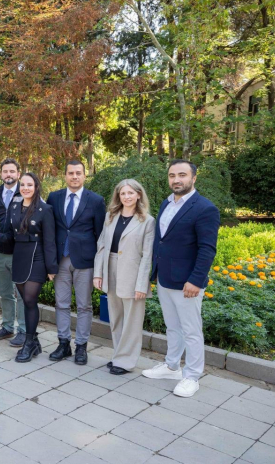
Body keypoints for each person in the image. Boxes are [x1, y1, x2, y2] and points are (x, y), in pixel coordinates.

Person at [142, 160, 219, 398]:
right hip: (165, 278)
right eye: (172, 175)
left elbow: (207, 249)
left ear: (194, 178)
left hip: (187, 282)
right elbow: (162, 241)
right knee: (173, 326)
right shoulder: (166, 203)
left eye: (182, 175)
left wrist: (196, 280)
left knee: (191, 330)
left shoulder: (205, 208)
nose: (176, 179)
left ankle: (192, 376)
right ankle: (172, 366)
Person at [46, 160, 106, 365]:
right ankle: (63, 343)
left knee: (84, 306)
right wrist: (49, 262)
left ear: (84, 175)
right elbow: (50, 230)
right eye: (70, 173)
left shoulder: (96, 200)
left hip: (85, 261)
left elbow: (100, 235)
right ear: (65, 175)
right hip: (61, 260)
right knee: (61, 303)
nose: (74, 176)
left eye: (78, 173)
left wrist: (99, 267)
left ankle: (81, 346)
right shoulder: (54, 197)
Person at [93, 179, 155, 375]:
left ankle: (126, 362)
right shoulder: (110, 216)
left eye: (130, 193)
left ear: (138, 195)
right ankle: (118, 356)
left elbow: (147, 256)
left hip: (133, 274)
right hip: (110, 268)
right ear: (118, 196)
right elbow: (102, 245)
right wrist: (98, 273)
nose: (127, 197)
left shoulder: (147, 221)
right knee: (116, 317)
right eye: (123, 193)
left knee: (132, 321)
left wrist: (142, 285)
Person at [0, 173, 58, 362]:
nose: (25, 188)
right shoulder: (14, 206)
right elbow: (9, 234)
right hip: (20, 256)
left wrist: (51, 268)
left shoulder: (45, 209)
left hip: (38, 256)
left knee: (30, 300)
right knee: (25, 299)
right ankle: (35, 341)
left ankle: (29, 343)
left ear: (36, 187)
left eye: (29, 185)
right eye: (23, 185)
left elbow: (50, 241)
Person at [0, 158, 26, 347]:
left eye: (11, 171)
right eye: (5, 171)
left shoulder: (26, 191)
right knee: (5, 293)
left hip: (21, 252)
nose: (8, 174)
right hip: (0, 252)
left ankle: (24, 330)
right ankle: (8, 326)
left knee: (23, 294)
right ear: (1, 174)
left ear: (18, 173)